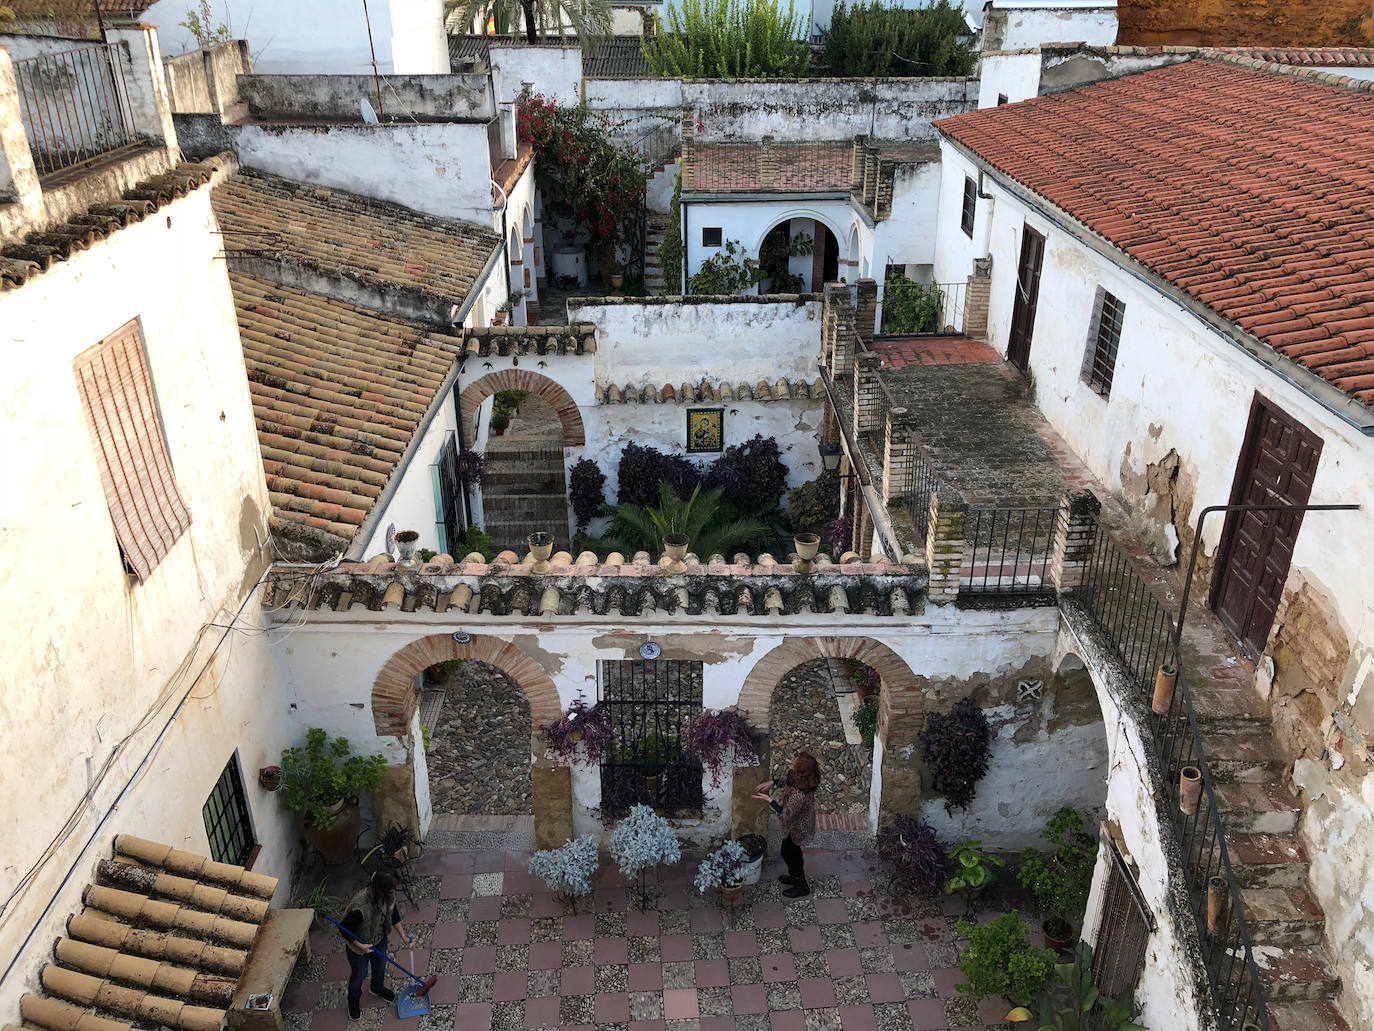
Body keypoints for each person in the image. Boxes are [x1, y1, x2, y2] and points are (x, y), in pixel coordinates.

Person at [339, 871, 411, 1020]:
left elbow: (393, 913)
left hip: (379, 940)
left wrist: (403, 935)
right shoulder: (360, 907)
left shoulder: (388, 896)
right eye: (392, 889)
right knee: (360, 974)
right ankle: (353, 1000)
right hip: (358, 948)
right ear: (381, 889)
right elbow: (343, 929)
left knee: (380, 966)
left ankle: (376, 988)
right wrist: (361, 946)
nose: (394, 892)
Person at [752, 751, 821, 898]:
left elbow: (786, 815)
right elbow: (789, 781)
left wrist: (769, 800)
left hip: (797, 828)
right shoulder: (801, 778)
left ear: (801, 771)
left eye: (794, 763)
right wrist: (773, 782)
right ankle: (795, 877)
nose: (792, 763)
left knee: (790, 853)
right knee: (790, 852)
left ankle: (801, 885)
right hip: (794, 824)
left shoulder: (799, 795)